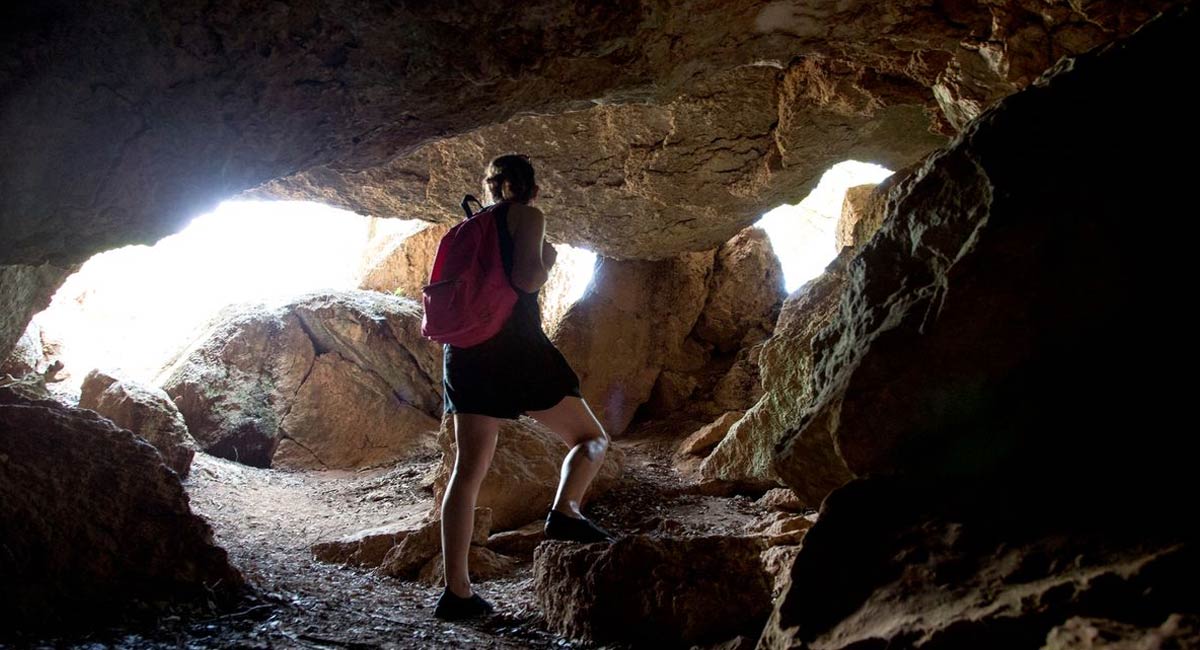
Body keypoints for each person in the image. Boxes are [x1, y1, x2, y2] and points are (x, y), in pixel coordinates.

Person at [434, 154, 616, 621]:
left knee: (467, 472)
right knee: (591, 439)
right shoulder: (528, 214)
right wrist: (549, 261)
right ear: (530, 189)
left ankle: (457, 592)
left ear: (489, 187)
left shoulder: (466, 229)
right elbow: (526, 279)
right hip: (514, 348)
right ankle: (565, 513)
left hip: (464, 351)